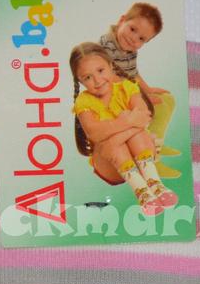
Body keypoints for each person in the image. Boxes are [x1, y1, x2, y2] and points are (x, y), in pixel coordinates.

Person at [70, 43, 178, 216]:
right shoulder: (84, 101)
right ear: (80, 81)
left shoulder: (126, 87)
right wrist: (128, 121)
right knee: (115, 143)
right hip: (110, 166)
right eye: (88, 77)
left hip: (137, 155)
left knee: (122, 138)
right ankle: (142, 192)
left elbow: (144, 116)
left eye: (100, 70)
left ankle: (155, 184)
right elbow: (94, 133)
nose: (97, 81)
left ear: (111, 66)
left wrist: (114, 135)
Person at [99, 3, 181, 178]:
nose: (133, 39)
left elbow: (133, 73)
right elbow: (110, 80)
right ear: (122, 20)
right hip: (112, 98)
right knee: (156, 107)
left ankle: (156, 142)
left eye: (142, 38)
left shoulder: (129, 49)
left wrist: (148, 90)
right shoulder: (107, 46)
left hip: (127, 91)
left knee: (167, 99)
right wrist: (142, 97)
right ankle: (152, 158)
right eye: (132, 29)